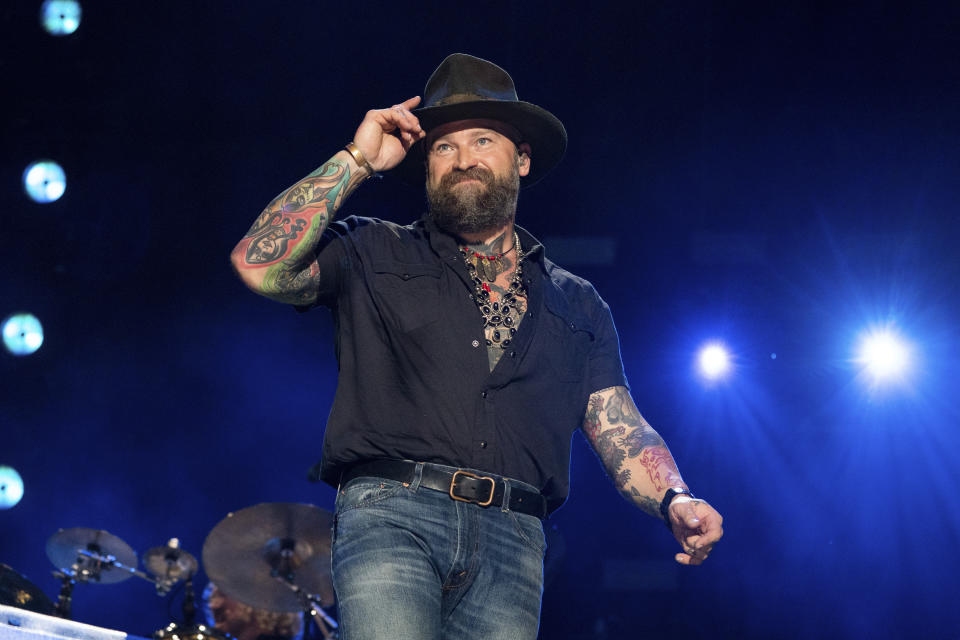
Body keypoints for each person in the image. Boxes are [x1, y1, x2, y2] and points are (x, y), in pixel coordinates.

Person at [229, 53, 723, 640]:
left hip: (513, 544)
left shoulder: (579, 303)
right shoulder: (373, 250)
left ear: (522, 158)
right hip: (392, 519)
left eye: (483, 139)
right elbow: (260, 265)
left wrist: (674, 498)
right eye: (443, 146)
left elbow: (619, 426)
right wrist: (358, 160)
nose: (463, 158)